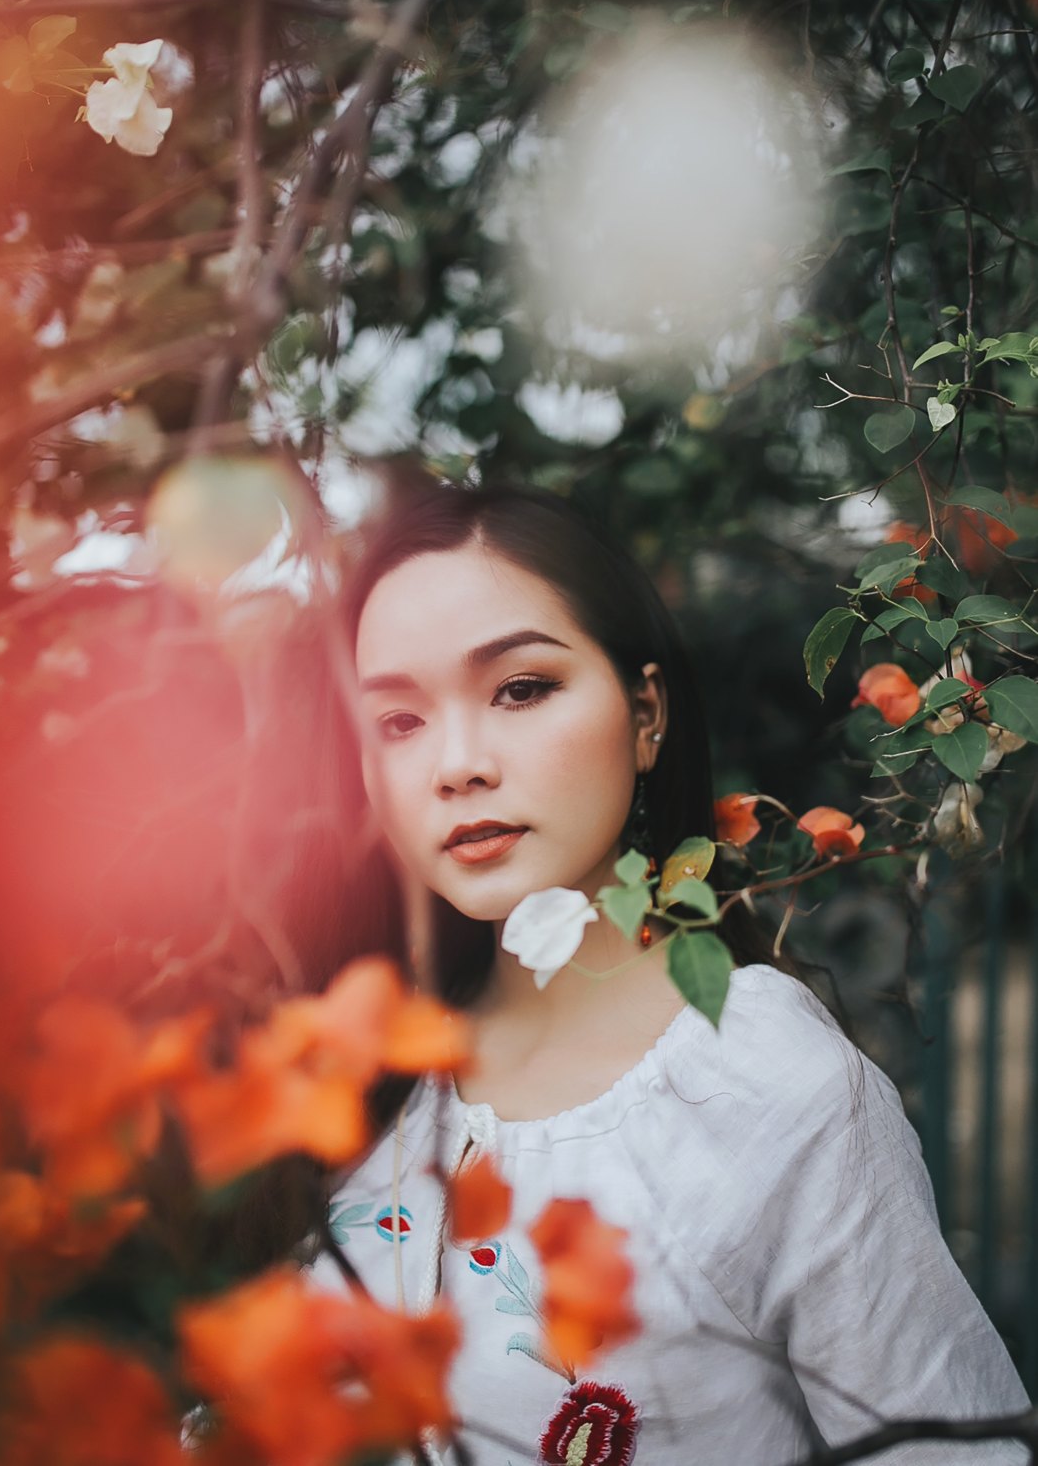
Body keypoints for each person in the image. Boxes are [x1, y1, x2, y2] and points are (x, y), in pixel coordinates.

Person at [301, 476, 1031, 1466]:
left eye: (521, 688)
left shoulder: (767, 1087)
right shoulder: (356, 1063)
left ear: (646, 714)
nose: (456, 763)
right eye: (398, 721)